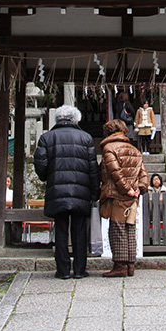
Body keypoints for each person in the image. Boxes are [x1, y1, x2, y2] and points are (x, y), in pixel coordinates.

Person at [33, 105, 99, 279]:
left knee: (61, 231)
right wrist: (94, 193)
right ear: (76, 119)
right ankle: (79, 269)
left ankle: (62, 270)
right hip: (80, 190)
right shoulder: (86, 138)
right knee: (79, 231)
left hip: (57, 190)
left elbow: (41, 165)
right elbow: (93, 169)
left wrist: (48, 176)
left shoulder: (46, 138)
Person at [99, 119, 148, 278]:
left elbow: (115, 173)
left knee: (117, 229)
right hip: (133, 196)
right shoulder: (134, 149)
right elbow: (143, 174)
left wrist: (126, 190)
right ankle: (130, 264)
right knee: (129, 229)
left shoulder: (109, 149)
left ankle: (120, 265)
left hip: (117, 194)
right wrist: (139, 189)